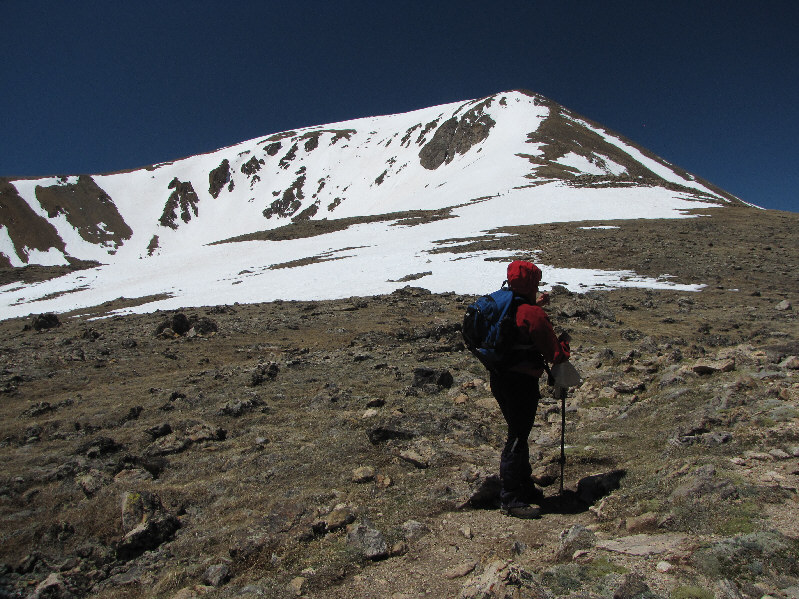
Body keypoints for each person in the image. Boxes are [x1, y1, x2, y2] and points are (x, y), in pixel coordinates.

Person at [491, 260, 570, 519]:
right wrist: (565, 344)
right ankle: (511, 497)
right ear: (531, 284)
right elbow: (555, 354)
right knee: (517, 436)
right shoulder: (533, 314)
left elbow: (517, 325)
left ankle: (523, 486)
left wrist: (536, 304)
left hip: (500, 378)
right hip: (521, 383)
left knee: (519, 432)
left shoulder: (504, 304)